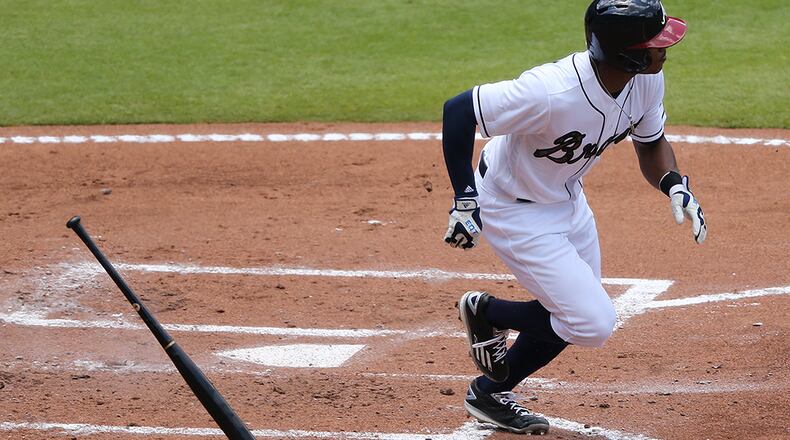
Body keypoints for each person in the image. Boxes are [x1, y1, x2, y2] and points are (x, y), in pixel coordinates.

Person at [441, 0, 707, 435]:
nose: (665, 50)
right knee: (590, 322)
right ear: (625, 53)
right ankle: (488, 313)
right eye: (655, 44)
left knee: (567, 313)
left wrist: (673, 183)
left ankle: (489, 394)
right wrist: (464, 198)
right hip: (513, 207)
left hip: (568, 201)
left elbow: (650, 143)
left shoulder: (645, 81)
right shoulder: (550, 92)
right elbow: (458, 110)